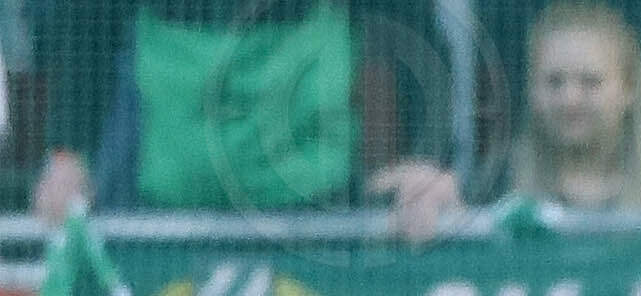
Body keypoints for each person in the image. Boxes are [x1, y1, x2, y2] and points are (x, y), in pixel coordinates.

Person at [30, 0, 465, 238]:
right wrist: (68, 154)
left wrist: (428, 160)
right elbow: (85, 19)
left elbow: (415, 24)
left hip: (317, 206)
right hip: (166, 205)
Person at [507, 1, 641, 212]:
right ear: (532, 90)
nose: (570, 100)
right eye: (554, 81)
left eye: (590, 81)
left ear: (630, 88)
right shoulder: (498, 182)